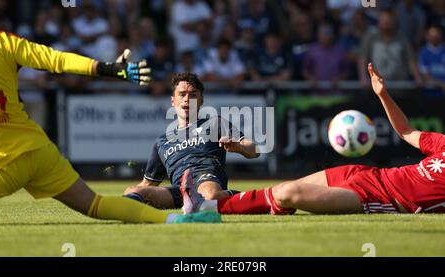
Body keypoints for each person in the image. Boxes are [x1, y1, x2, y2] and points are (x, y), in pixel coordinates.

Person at [0, 31, 220, 224]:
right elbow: (58, 60)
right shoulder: (4, 42)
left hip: (5, 157)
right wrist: (108, 69)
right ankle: (178, 219)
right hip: (39, 148)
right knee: (95, 204)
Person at [182, 63, 445, 215]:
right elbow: (406, 132)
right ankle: (207, 205)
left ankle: (207, 211)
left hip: (377, 199)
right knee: (282, 190)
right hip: (369, 174)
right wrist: (382, 94)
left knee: (287, 193)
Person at [123, 72, 259, 213]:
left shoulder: (215, 123)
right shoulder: (161, 142)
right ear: (173, 101)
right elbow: (148, 183)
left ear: (201, 100)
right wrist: (131, 193)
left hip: (205, 180)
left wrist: (238, 147)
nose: (187, 99)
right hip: (180, 192)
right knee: (133, 191)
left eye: (193, 95)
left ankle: (248, 198)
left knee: (209, 196)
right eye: (182, 94)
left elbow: (254, 150)